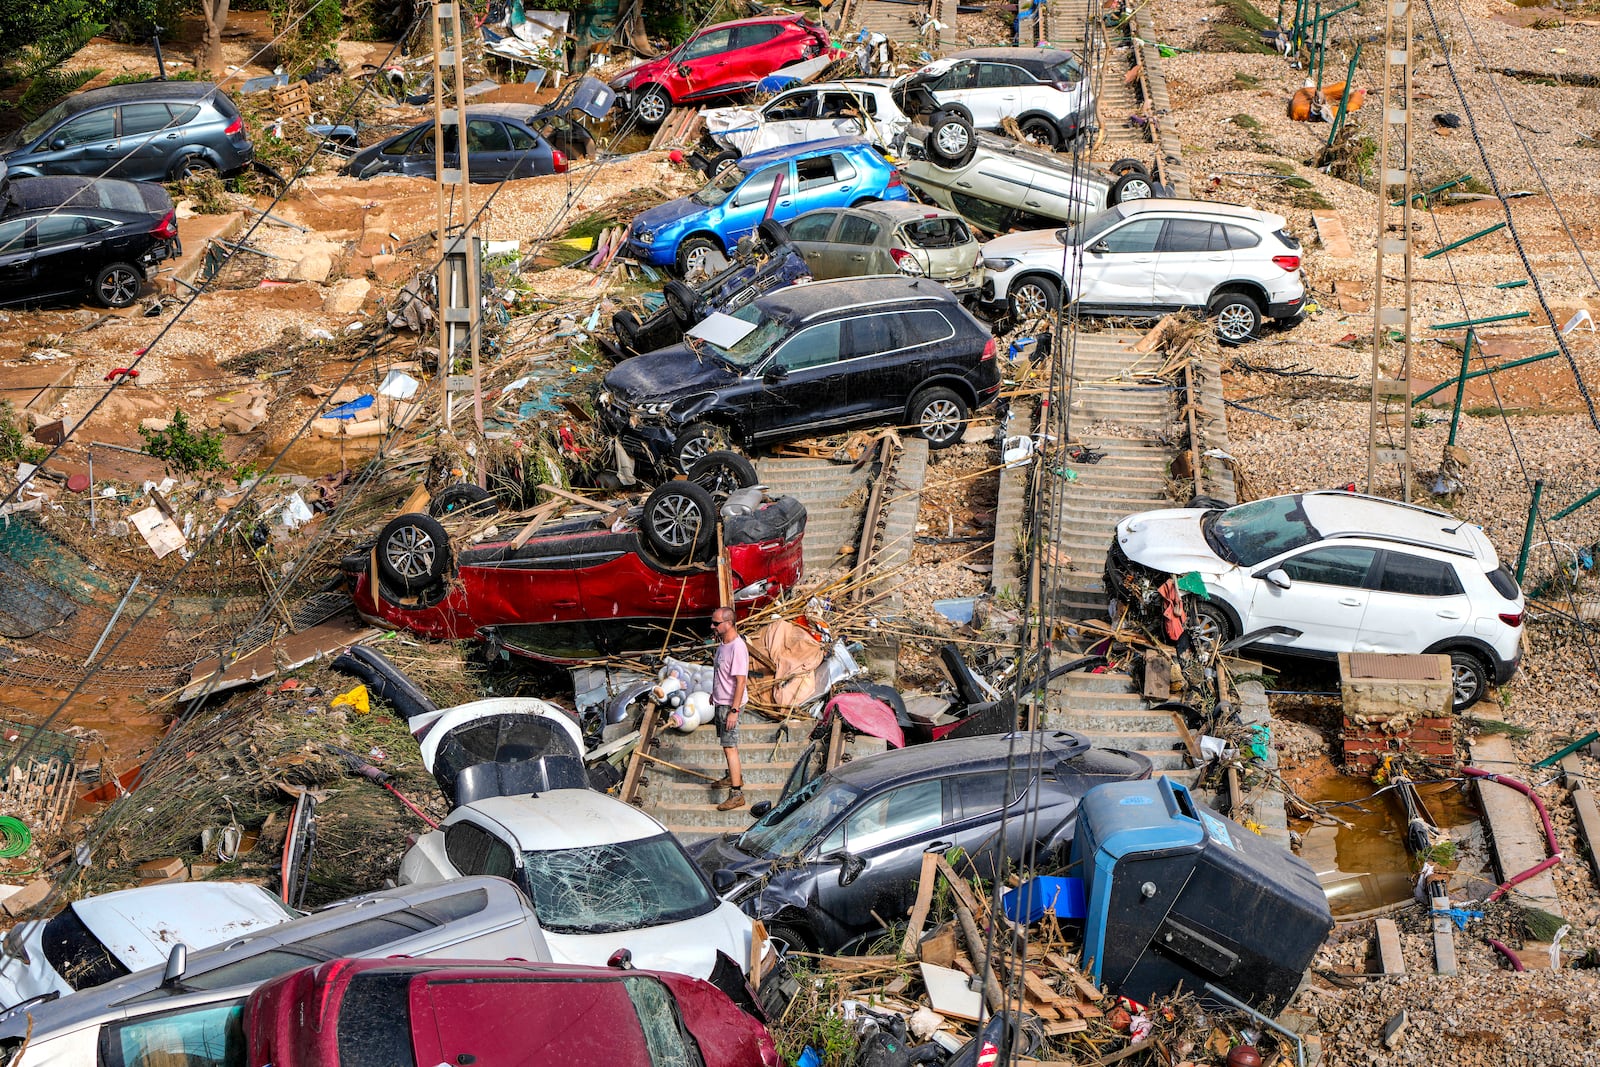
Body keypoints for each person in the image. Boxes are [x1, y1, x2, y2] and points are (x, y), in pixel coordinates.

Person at [710, 606, 748, 811]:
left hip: (729, 705)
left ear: (729, 623)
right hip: (720, 701)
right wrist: (713, 693)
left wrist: (734, 710)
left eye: (716, 623)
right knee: (726, 745)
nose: (712, 626)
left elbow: (741, 682)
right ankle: (731, 776)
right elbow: (720, 674)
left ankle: (737, 792)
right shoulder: (722, 644)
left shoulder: (737, 647)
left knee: (730, 746)